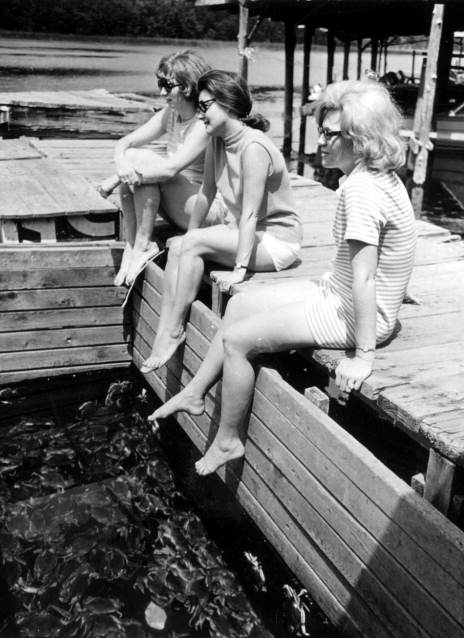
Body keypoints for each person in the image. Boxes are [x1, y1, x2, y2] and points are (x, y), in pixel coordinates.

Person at [148, 79, 416, 476]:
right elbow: (390, 253)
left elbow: (365, 280)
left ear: (361, 139)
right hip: (337, 292)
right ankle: (194, 392)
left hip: (353, 314)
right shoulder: (375, 178)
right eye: (319, 130)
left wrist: (363, 358)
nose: (320, 141)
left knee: (238, 341)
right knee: (239, 302)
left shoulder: (362, 191)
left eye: (330, 134)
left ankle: (228, 440)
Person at [140, 70, 303, 373]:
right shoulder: (218, 140)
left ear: (227, 104)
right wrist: (189, 234)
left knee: (192, 244)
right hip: (243, 230)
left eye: (205, 107)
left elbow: (252, 213)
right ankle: (165, 332)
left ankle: (174, 332)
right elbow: (206, 192)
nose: (200, 115)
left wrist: (239, 271)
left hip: (276, 240)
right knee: (179, 245)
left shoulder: (254, 146)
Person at [98, 50, 228, 286]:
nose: (161, 92)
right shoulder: (171, 113)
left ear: (187, 86)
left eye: (167, 85)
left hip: (206, 211)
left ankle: (144, 244)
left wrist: (119, 176)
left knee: (143, 161)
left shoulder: (203, 122)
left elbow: (170, 169)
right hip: (178, 202)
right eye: (160, 84)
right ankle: (134, 244)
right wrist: (122, 163)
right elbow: (126, 143)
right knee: (135, 155)